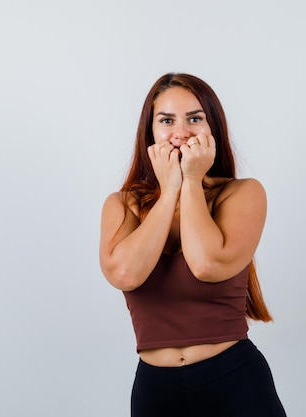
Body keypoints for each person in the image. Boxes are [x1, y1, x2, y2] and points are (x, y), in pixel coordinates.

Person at [99, 73, 286, 417]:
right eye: (167, 120)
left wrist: (191, 180)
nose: (181, 132)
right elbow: (125, 274)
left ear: (212, 128)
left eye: (194, 119)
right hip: (156, 391)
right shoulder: (123, 204)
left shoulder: (241, 193)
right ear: (150, 131)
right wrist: (169, 190)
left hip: (235, 383)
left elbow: (206, 264)